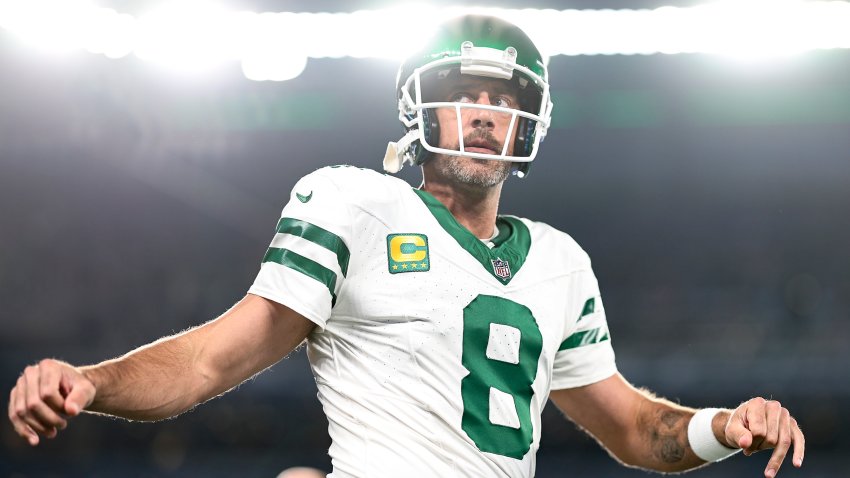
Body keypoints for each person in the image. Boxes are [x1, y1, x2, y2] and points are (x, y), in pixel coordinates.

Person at [8, 14, 804, 478]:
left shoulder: (561, 261)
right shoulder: (355, 201)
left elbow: (633, 429)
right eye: (465, 95)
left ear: (531, 123)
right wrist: (91, 379)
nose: (487, 114)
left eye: (504, 100)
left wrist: (723, 425)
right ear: (418, 108)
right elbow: (212, 360)